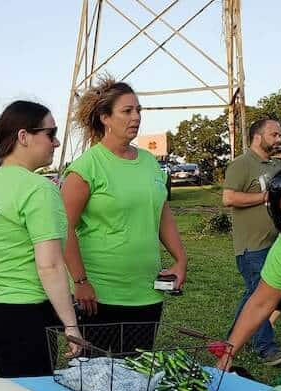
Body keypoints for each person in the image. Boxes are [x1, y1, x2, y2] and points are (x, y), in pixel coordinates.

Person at [61, 78, 188, 353]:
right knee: (98, 380)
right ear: (105, 118)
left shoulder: (150, 163)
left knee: (136, 378)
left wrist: (180, 260)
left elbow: (162, 212)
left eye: (139, 110)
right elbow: (64, 228)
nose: (136, 117)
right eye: (127, 111)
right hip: (100, 295)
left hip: (147, 293)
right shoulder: (86, 168)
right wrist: (80, 281)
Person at [0, 100, 82, 377]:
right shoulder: (39, 188)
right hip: (23, 314)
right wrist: (71, 324)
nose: (55, 143)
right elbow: (50, 265)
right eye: (50, 133)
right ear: (23, 137)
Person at [222, 117, 281, 365]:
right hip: (252, 246)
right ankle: (266, 348)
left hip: (273, 243)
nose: (279, 138)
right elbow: (228, 198)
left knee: (254, 295)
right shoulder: (241, 164)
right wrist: (266, 196)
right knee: (262, 297)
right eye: (274, 134)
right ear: (258, 136)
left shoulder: (273, 165)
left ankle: (231, 343)